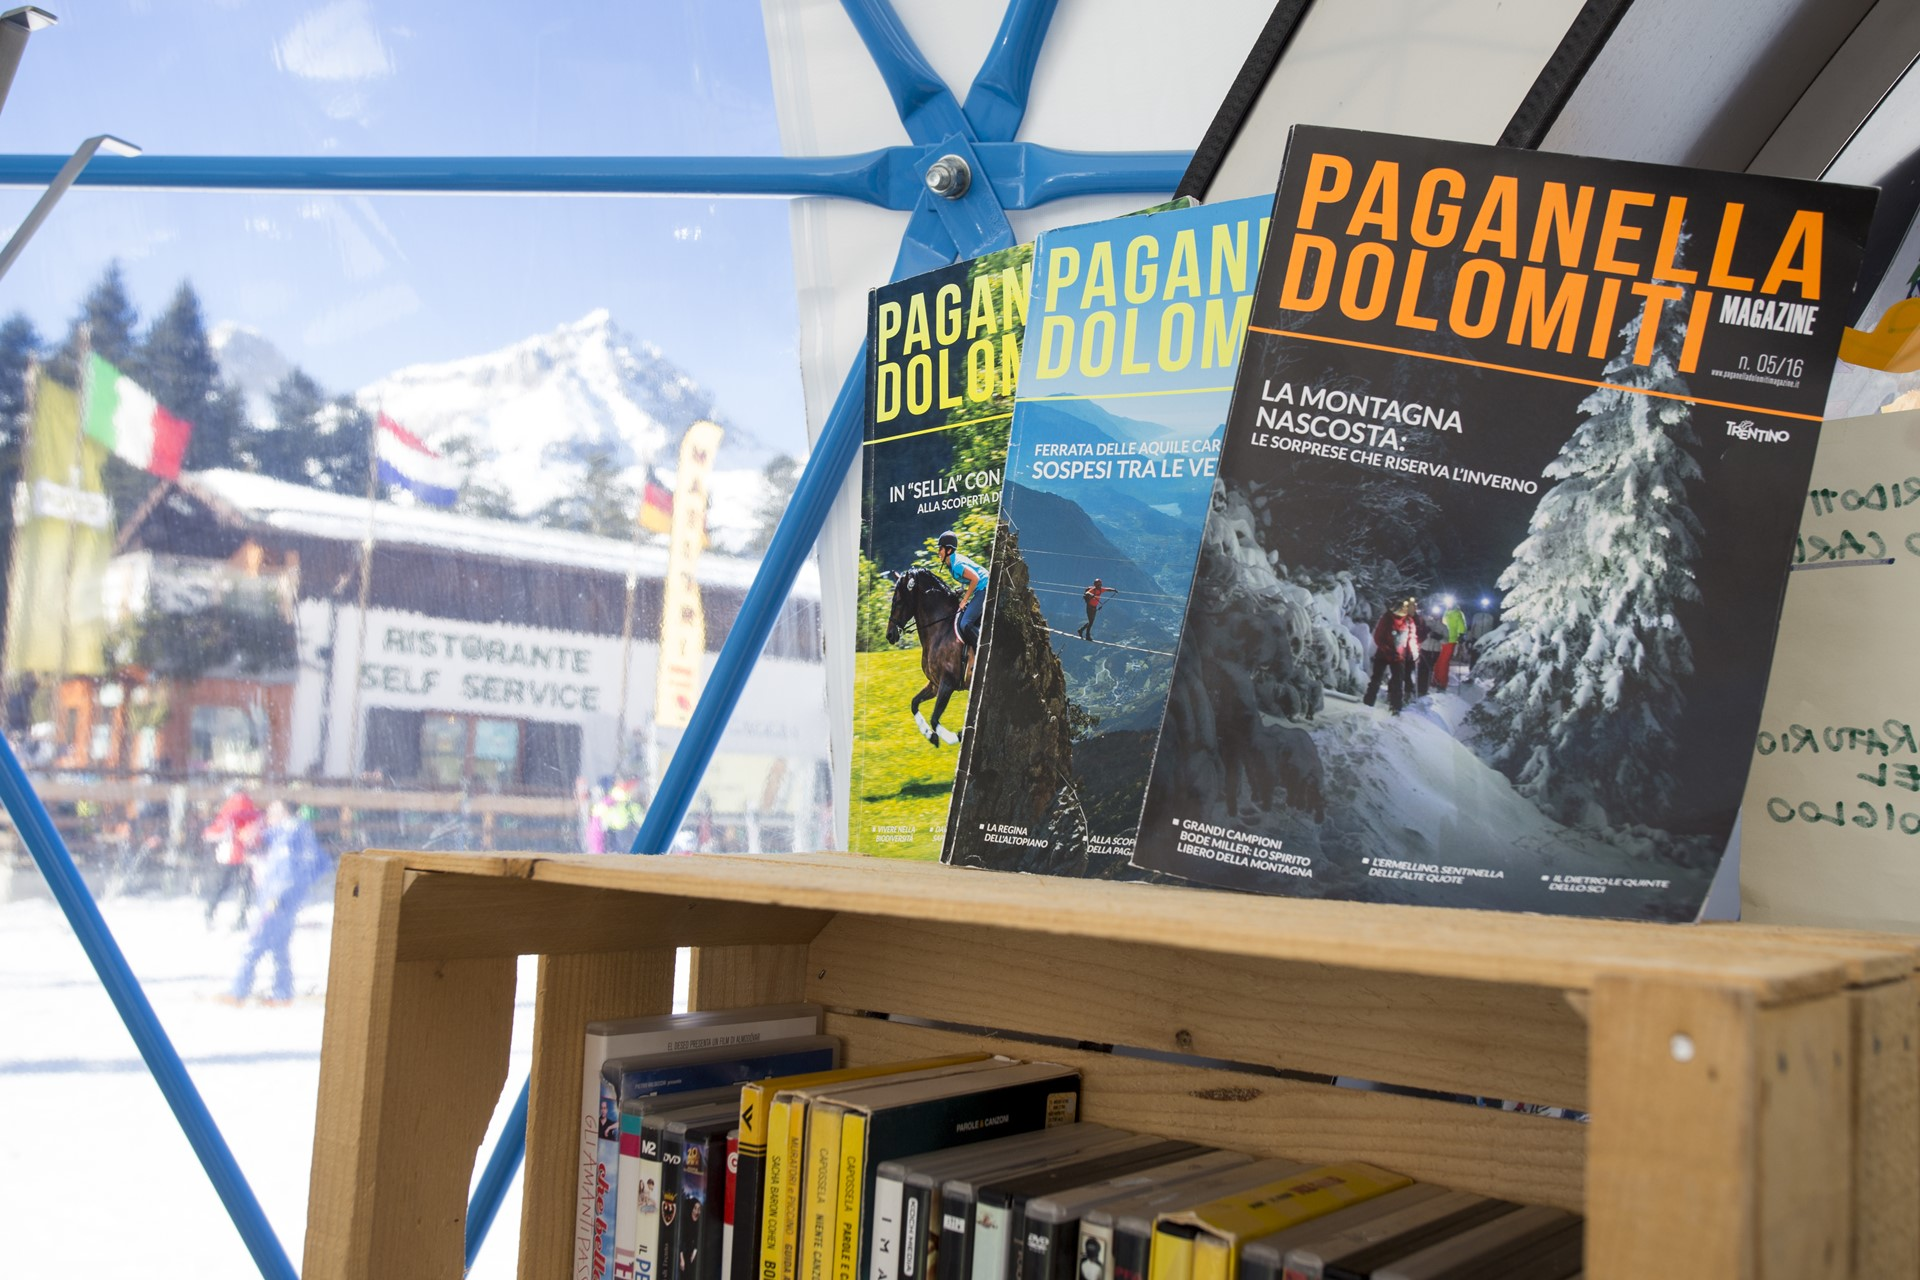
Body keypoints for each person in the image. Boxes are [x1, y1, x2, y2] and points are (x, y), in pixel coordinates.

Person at [225, 800, 332, 1006]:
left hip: (278, 898)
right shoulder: (287, 834)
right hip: (281, 896)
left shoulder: (292, 832)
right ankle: (282, 993)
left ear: (285, 812)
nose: (269, 816)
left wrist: (288, 890)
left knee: (255, 942)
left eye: (273, 811)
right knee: (279, 946)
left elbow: (302, 866)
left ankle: (239, 990)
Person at [201, 788, 263, 931]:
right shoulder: (253, 812)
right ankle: (242, 917)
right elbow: (259, 833)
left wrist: (208, 834)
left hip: (230, 854)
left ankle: (210, 912)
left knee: (221, 886)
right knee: (246, 887)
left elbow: (217, 832)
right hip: (248, 856)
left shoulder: (229, 811)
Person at [1363, 598, 1419, 714]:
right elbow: (1378, 636)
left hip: (1399, 656)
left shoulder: (1408, 621)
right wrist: (1387, 650)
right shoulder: (1386, 618)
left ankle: (1396, 707)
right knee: (1376, 679)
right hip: (1384, 654)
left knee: (1398, 682)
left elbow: (1412, 638)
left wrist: (1414, 652)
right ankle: (1368, 704)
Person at [935, 530, 988, 650]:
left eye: (940, 549)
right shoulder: (952, 563)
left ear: (948, 550)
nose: (938, 553)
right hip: (981, 588)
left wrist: (964, 600)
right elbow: (968, 579)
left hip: (984, 588)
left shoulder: (956, 565)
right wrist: (962, 590)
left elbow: (975, 578)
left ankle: (983, 651)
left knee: (965, 624)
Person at [1436, 600, 1468, 690]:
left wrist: (1461, 634)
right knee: (1439, 660)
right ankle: (1436, 679)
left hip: (1451, 639)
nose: (1449, 605)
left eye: (1450, 603)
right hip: (1443, 638)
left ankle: (1442, 682)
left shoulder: (1457, 613)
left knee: (1444, 661)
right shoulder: (1446, 612)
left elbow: (1462, 625)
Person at [1415, 609, 1443, 697]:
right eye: (1434, 614)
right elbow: (1420, 631)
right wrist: (1426, 632)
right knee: (1421, 668)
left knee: (1429, 669)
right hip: (1425, 648)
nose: (1435, 616)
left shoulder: (1443, 626)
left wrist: (1439, 638)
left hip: (1435, 650)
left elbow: (1446, 640)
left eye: (1437, 614)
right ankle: (1419, 687)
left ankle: (1425, 689)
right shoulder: (1427, 623)